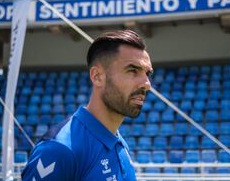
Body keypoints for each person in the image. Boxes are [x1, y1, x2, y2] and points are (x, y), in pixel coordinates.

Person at [22, 30, 153, 181]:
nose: (147, 84)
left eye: (147, 74)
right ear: (97, 77)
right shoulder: (59, 149)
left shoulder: (119, 143)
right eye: (132, 71)